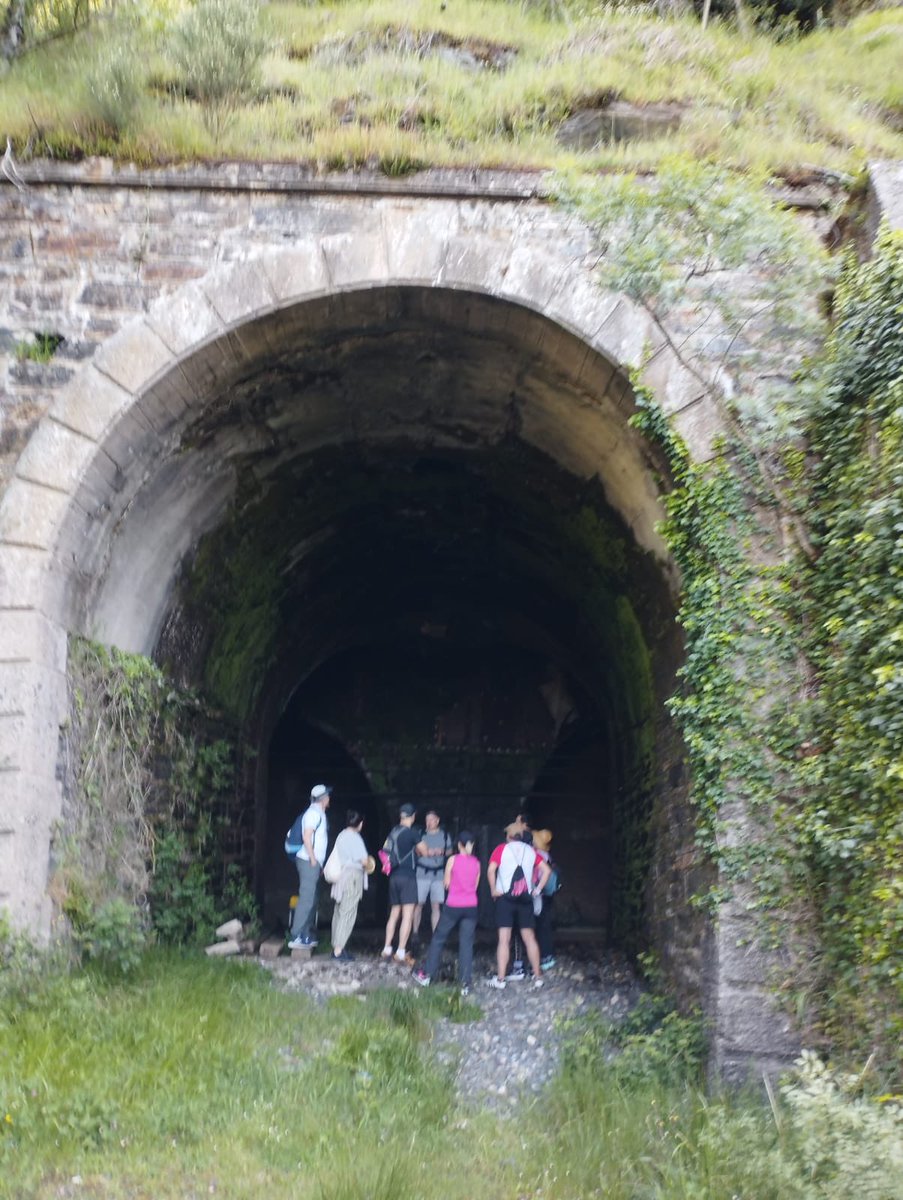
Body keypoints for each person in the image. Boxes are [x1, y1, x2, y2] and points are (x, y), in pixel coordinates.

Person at [412, 830, 480, 996]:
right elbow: (475, 886)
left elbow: (446, 883)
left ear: (459, 845)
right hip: (471, 906)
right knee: (466, 944)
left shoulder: (452, 860)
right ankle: (465, 983)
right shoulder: (477, 863)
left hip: (453, 905)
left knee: (438, 938)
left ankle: (427, 975)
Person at [486, 828, 550, 990]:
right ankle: (538, 977)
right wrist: (537, 890)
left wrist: (494, 889)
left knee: (504, 939)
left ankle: (500, 979)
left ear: (508, 836)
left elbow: (491, 870)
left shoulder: (501, 849)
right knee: (529, 938)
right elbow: (547, 870)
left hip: (505, 899)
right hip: (525, 899)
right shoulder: (531, 851)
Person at [381, 802, 428, 965]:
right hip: (408, 877)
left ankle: (387, 948)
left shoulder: (392, 832)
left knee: (394, 913)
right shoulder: (412, 833)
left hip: (393, 877)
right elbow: (425, 851)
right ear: (413, 816)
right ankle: (400, 951)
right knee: (408, 914)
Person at [287, 783, 331, 949]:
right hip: (308, 861)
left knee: (312, 897)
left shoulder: (318, 813)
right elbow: (307, 837)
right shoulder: (313, 814)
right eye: (327, 795)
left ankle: (305, 933)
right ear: (322, 799)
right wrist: (313, 859)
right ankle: (296, 935)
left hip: (313, 862)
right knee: (306, 897)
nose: (329, 798)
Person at [329, 810, 372, 962]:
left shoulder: (341, 835)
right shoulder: (355, 838)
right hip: (352, 877)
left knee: (339, 912)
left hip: (342, 877)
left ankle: (336, 947)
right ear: (359, 823)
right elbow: (365, 861)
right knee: (348, 912)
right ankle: (338, 951)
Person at [413, 810, 452, 942]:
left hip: (439, 874)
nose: (428, 823)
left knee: (436, 906)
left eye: (431, 820)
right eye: (427, 820)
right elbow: (416, 851)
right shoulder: (420, 834)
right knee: (418, 904)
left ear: (437, 820)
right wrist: (427, 852)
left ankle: (436, 935)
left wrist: (442, 851)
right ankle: (414, 933)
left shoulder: (445, 835)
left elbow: (450, 851)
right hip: (422, 873)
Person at [531, 828, 556, 970]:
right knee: (545, 925)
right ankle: (547, 956)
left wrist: (536, 889)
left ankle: (544, 956)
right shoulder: (547, 855)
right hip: (547, 893)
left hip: (539, 893)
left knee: (540, 925)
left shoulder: (538, 855)